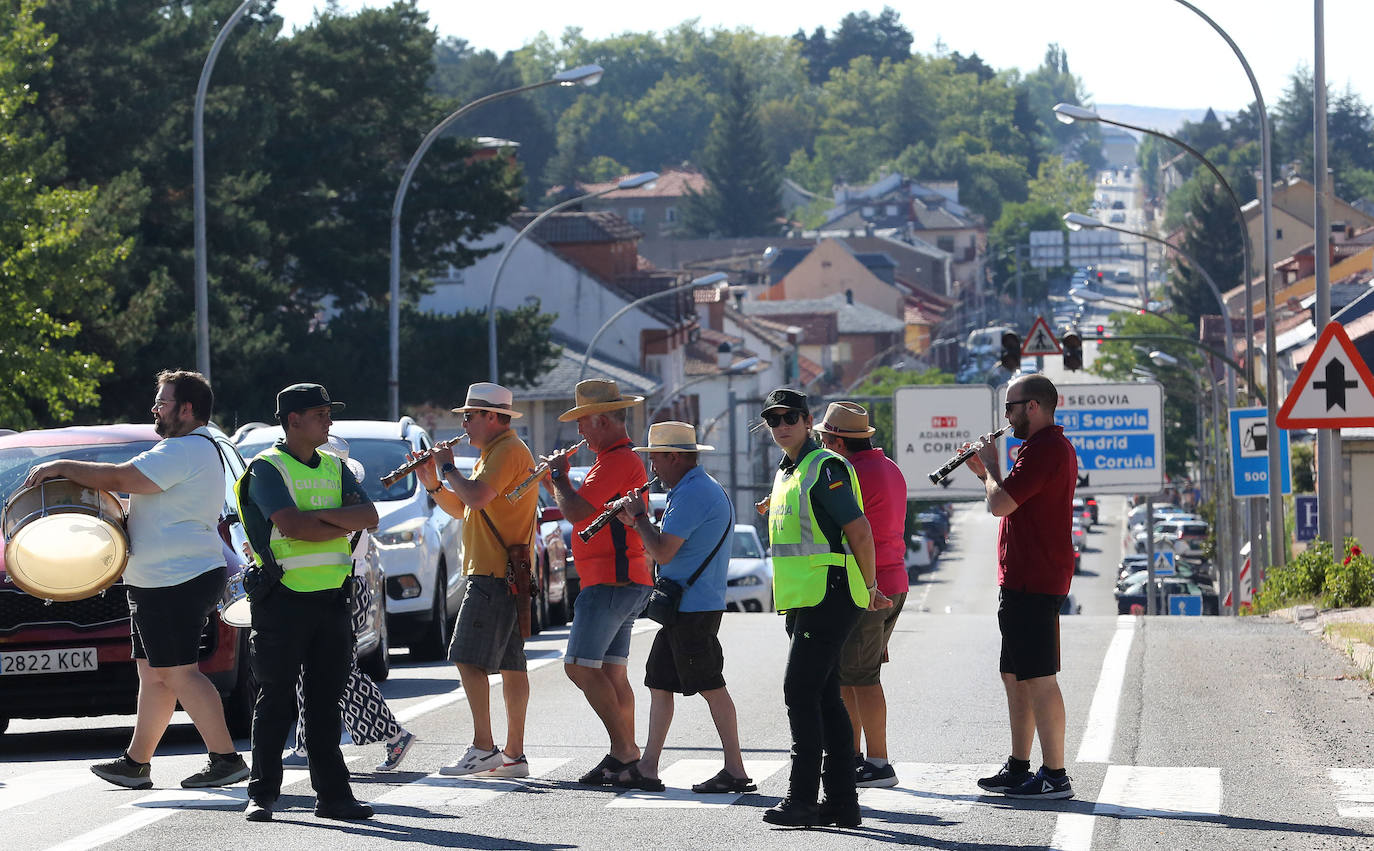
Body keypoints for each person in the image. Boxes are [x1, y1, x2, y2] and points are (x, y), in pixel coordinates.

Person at [23, 370, 248, 791]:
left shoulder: (184, 449)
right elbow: (140, 501)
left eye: (162, 402)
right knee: (154, 674)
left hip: (174, 580)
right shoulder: (184, 450)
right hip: (159, 581)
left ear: (187, 408)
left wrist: (60, 466)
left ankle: (226, 759)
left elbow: (120, 477)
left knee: (179, 673)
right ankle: (135, 762)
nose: (155, 409)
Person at [237, 383, 379, 822]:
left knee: (324, 703)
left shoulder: (336, 467)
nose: (329, 421)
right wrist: (335, 521)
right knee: (276, 700)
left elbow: (369, 517)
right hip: (282, 601)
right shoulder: (266, 468)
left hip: (331, 599)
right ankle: (262, 794)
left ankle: (334, 797)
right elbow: (292, 526)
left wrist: (317, 522)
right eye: (320, 415)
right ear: (293, 420)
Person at [757, 388, 890, 829]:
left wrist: (871, 587)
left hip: (829, 593)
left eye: (790, 417)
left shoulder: (824, 465)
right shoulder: (787, 471)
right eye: (773, 419)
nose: (782, 425)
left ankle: (802, 800)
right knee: (827, 697)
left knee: (799, 691)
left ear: (808, 419)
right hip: (804, 598)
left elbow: (860, 531)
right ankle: (841, 802)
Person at [610, 421, 753, 794]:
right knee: (659, 682)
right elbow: (669, 544)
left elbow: (662, 550)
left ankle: (735, 770)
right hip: (686, 605)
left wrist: (639, 517)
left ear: (675, 457)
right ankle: (649, 766)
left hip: (693, 606)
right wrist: (638, 521)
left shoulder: (693, 493)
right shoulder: (690, 488)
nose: (652, 467)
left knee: (710, 684)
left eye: (655, 458)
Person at [964, 374, 1078, 801]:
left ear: (1034, 406)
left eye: (1011, 407)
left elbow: (1001, 504)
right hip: (1021, 578)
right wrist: (984, 473)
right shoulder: (1038, 449)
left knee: (1038, 677)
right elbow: (1010, 498)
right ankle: (1018, 766)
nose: (1006, 416)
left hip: (1034, 578)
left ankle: (1055, 774)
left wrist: (990, 466)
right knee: (1014, 674)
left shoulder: (1046, 448)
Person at [415, 382, 537, 779]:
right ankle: (514, 756)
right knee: (511, 665)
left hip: (492, 573)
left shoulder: (507, 451)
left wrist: (448, 467)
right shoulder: (495, 452)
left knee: (468, 658)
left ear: (490, 416)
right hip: (502, 572)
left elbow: (476, 497)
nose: (464, 423)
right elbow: (464, 508)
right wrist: (432, 481)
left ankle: (484, 747)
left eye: (469, 416)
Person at [542, 379, 652, 785]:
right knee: (611, 670)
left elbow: (575, 512)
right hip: (621, 579)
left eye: (584, 423)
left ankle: (625, 751)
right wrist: (554, 480)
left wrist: (558, 477)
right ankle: (625, 754)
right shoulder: (615, 460)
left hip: (611, 580)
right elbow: (576, 503)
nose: (580, 433)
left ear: (603, 420)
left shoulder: (615, 462)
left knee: (578, 667)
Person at [288, 437, 416, 773]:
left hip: (346, 586)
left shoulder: (344, 505)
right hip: (341, 584)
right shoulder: (347, 501)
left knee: (339, 670)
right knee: (312, 666)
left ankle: (392, 734)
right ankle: (305, 742)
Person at [814, 402, 908, 790]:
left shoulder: (849, 472)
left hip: (868, 586)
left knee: (863, 678)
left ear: (837, 440)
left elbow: (845, 526)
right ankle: (852, 756)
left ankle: (879, 762)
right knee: (849, 676)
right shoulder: (890, 468)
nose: (820, 443)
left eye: (823, 438)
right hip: (892, 580)